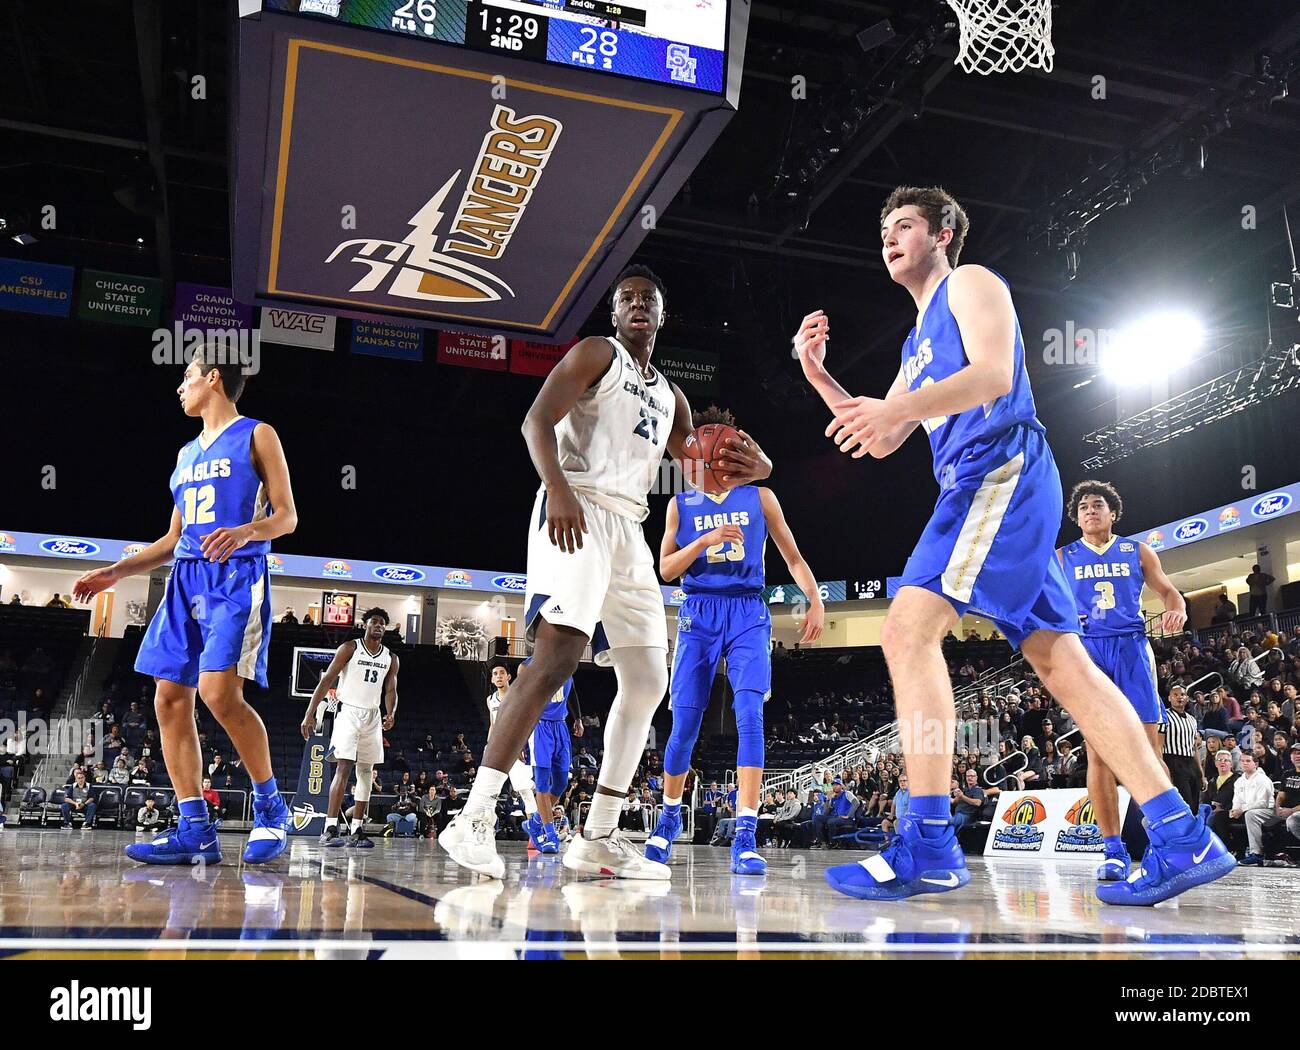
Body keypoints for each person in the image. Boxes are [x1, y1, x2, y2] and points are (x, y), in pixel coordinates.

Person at [794, 185, 1233, 904]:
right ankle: (1183, 837)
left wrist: (895, 405)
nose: (889, 235)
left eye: (904, 224)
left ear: (943, 234)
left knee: (907, 632)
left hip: (999, 469)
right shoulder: (915, 344)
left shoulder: (970, 283)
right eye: (883, 228)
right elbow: (881, 433)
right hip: (988, 483)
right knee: (1064, 664)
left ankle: (930, 840)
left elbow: (994, 376)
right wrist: (818, 375)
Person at [440, 265, 772, 881]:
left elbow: (702, 475)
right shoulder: (598, 354)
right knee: (557, 657)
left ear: (663, 315)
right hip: (576, 505)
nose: (638, 305)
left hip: (629, 525)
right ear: (616, 315)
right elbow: (535, 420)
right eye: (627, 299)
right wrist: (558, 488)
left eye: (650, 298)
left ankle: (597, 835)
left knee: (649, 677)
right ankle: (473, 818)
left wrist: (760, 466)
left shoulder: (674, 397)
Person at [72, 346, 295, 865]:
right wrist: (116, 571)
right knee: (168, 698)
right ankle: (195, 828)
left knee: (219, 695)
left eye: (187, 377)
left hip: (235, 578)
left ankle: (272, 811)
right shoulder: (185, 454)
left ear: (213, 379)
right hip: (184, 581)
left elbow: (287, 517)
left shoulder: (258, 434)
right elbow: (172, 538)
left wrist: (245, 532)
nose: (180, 387)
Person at [647, 405, 824, 875]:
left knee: (750, 714)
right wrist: (703, 544)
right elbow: (665, 570)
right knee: (684, 724)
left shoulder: (761, 499)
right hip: (697, 611)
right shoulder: (679, 505)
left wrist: (815, 599)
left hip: (748, 610)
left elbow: (793, 555)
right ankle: (667, 820)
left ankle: (745, 833)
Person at [1058, 479, 1188, 880]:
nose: (1090, 511)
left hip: (1131, 649)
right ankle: (1112, 850)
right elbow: (1042, 603)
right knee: (1098, 752)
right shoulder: (1062, 556)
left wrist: (1177, 609)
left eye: (1097, 505)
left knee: (1149, 752)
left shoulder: (1138, 550)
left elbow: (1170, 593)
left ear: (1113, 513)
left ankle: (1168, 842)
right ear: (1076, 518)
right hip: (1089, 651)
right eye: (1082, 507)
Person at [300, 608, 399, 849]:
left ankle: (357, 829)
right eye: (374, 622)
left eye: (382, 623)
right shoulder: (349, 648)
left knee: (366, 771)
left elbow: (390, 690)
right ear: (365, 625)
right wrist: (309, 713)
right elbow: (326, 680)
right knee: (343, 767)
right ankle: (330, 828)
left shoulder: (391, 658)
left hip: (373, 715)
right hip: (349, 712)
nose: (378, 626)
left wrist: (391, 713)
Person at [516, 656, 579, 855]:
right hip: (540, 728)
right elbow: (523, 704)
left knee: (561, 783)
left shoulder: (567, 661)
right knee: (542, 784)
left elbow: (573, 691)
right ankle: (549, 834)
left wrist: (577, 717)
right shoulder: (527, 666)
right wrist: (520, 740)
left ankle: (535, 822)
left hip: (561, 726)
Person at [480, 665, 543, 839]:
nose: (498, 676)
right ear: (492, 679)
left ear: (509, 676)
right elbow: (493, 724)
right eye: (495, 674)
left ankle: (535, 832)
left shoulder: (518, 696)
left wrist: (521, 745)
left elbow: (525, 722)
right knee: (489, 791)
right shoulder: (490, 700)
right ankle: (483, 830)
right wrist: (489, 745)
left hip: (516, 746)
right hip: (498, 747)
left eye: (501, 673)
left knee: (524, 791)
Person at [1228, 751, 1274, 864]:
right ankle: (1231, 852)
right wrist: (1235, 810)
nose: (1244, 763)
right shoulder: (1239, 781)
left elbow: (1263, 803)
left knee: (1250, 814)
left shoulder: (1263, 780)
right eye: (1242, 761)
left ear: (1256, 764)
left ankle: (1256, 853)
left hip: (1269, 811)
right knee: (1220, 816)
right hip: (1247, 810)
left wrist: (1242, 809)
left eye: (1248, 761)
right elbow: (1237, 800)